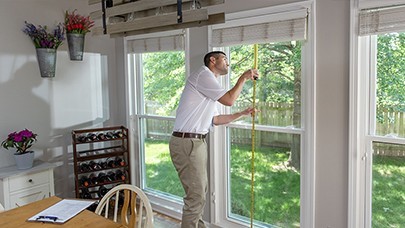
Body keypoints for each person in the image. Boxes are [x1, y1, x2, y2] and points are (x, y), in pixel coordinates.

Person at [169, 51, 259, 228]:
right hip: (187, 142)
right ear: (212, 60)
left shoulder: (209, 86)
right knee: (196, 196)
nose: (228, 63)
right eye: (224, 59)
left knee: (199, 192)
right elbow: (229, 100)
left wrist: (242, 114)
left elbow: (216, 119)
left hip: (195, 142)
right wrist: (243, 78)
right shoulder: (203, 75)